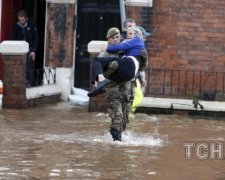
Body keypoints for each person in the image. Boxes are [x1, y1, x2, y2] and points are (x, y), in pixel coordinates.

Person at [88, 26, 148, 97]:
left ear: (137, 35)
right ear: (108, 39)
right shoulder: (132, 45)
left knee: (97, 60)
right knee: (103, 65)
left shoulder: (135, 40)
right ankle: (97, 84)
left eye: (131, 33)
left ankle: (100, 82)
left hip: (129, 69)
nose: (128, 35)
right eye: (127, 33)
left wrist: (106, 48)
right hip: (123, 80)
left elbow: (120, 47)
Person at [98, 27, 135, 141]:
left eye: (117, 37)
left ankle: (117, 143)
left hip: (127, 91)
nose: (115, 40)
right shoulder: (104, 54)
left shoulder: (127, 51)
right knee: (117, 119)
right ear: (108, 39)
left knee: (124, 120)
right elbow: (98, 70)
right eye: (112, 38)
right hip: (113, 91)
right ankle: (116, 144)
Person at [11, 9, 38, 87]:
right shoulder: (16, 26)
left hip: (30, 49)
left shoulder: (32, 25)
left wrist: (34, 51)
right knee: (18, 66)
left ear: (26, 18)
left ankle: (30, 83)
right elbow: (13, 38)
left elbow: (36, 39)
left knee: (29, 65)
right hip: (19, 49)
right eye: (19, 20)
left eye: (22, 20)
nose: (21, 22)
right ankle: (19, 83)